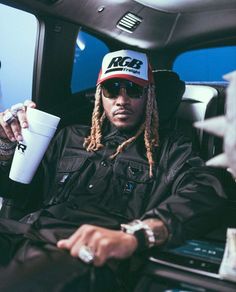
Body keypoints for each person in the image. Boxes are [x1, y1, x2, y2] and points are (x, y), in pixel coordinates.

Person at [0, 49, 227, 291]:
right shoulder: (70, 136)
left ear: (149, 96)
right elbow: (19, 192)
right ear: (100, 96)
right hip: (22, 232)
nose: (122, 99)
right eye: (112, 89)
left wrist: (139, 234)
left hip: (83, 251)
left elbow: (207, 189)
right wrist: (5, 146)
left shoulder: (170, 149)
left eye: (133, 90)